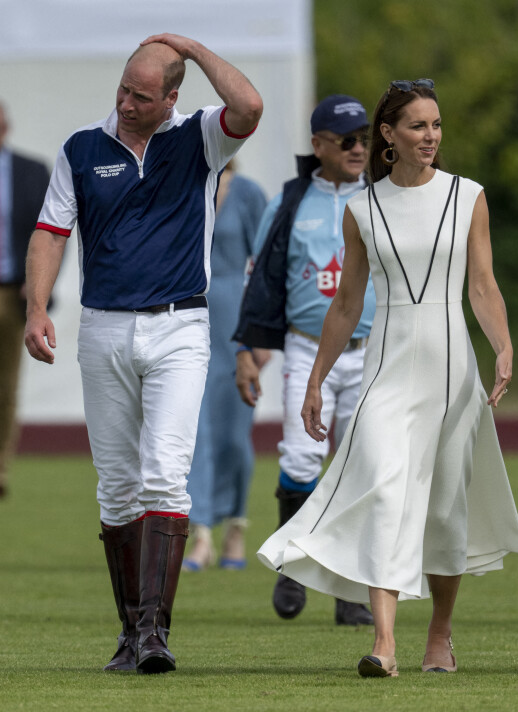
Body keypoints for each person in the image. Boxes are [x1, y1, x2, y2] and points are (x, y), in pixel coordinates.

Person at [257, 79, 518, 677]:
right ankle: (384, 643)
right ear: (388, 135)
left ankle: (440, 635)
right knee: (381, 486)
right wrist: (314, 381)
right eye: (417, 126)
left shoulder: (468, 196)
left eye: (435, 126)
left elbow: (481, 284)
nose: (429, 137)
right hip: (386, 366)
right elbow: (347, 302)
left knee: (445, 511)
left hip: (452, 368)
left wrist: (503, 346)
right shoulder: (363, 209)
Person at [24, 34, 262, 674]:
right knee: (117, 487)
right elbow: (51, 230)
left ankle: (154, 635)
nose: (127, 103)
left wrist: (191, 45)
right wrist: (37, 306)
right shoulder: (81, 147)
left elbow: (250, 104)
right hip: (102, 328)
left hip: (179, 326)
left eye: (143, 96)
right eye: (124, 90)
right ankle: (130, 635)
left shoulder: (201, 138)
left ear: (172, 99)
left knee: (164, 471)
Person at [234, 95, 376, 627]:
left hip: (372, 353)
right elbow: (262, 276)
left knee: (360, 467)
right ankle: (294, 564)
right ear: (317, 146)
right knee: (299, 460)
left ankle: (348, 590)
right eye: (346, 139)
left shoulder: (383, 198)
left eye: (363, 137)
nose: (358, 147)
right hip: (305, 349)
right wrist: (247, 348)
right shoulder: (292, 200)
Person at [182, 162, 268, 572]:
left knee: (235, 435)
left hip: (238, 325)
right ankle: (200, 534)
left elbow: (268, 266)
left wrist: (262, 336)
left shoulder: (249, 193)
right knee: (197, 432)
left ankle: (236, 524)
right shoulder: (184, 187)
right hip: (189, 319)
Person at [0, 102, 50, 499]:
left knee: (6, 384)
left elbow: (49, 235)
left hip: (9, 291)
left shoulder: (31, 171)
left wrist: (36, 290)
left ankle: (0, 467)